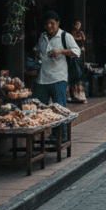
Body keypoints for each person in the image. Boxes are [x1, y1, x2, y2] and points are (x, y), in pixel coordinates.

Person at [32, 11, 81, 141]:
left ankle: (61, 136)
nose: (49, 26)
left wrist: (60, 51)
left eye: (52, 23)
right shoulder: (42, 37)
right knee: (40, 109)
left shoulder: (65, 36)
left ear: (58, 23)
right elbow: (40, 53)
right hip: (42, 78)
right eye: (47, 23)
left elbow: (77, 51)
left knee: (59, 108)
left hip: (59, 78)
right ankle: (42, 136)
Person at [69, 19, 88, 103]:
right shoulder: (70, 34)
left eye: (79, 24)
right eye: (77, 24)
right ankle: (74, 95)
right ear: (73, 25)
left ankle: (78, 95)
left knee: (79, 73)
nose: (78, 26)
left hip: (79, 53)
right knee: (75, 74)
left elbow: (83, 40)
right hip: (72, 55)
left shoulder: (80, 32)